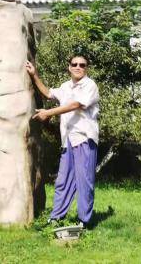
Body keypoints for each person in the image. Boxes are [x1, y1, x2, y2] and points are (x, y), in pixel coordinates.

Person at [25, 56, 99, 227]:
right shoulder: (66, 86)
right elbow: (48, 93)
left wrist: (48, 113)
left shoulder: (90, 85)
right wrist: (34, 75)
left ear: (86, 68)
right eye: (75, 64)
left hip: (84, 138)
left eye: (82, 65)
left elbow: (76, 105)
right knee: (63, 180)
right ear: (69, 67)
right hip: (68, 140)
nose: (78, 67)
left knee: (84, 181)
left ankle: (84, 221)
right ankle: (56, 217)